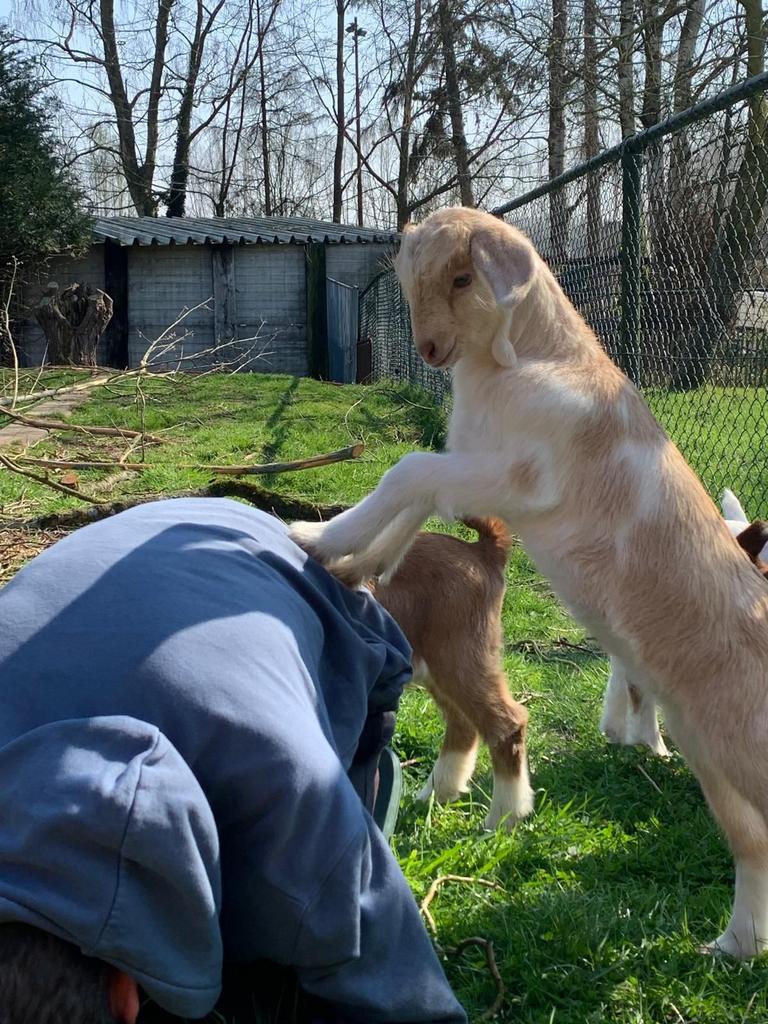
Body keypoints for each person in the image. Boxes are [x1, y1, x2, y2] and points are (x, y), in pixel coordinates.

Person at [0, 498, 467, 1024]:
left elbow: (408, 1002)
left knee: (319, 928)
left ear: (126, 1001)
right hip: (127, 549)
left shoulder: (298, 799)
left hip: (283, 563)